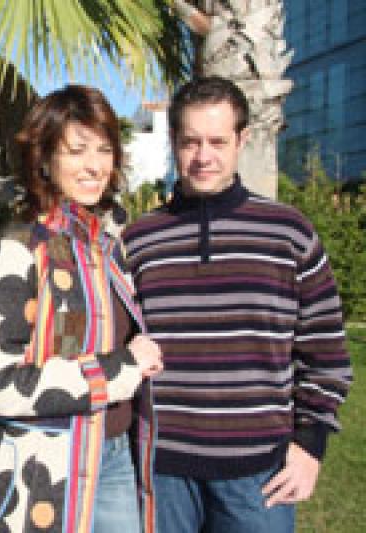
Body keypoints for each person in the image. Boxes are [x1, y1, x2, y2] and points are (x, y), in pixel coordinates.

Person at [123, 76, 353, 533]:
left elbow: (325, 348)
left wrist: (311, 444)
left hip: (259, 473)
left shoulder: (289, 233)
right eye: (190, 142)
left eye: (217, 141)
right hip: (161, 470)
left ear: (242, 140)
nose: (203, 156)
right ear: (173, 141)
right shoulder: (138, 240)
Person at [0, 84, 163, 532]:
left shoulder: (108, 246)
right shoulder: (21, 248)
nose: (94, 165)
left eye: (104, 150)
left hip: (113, 455)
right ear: (44, 158)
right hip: (43, 470)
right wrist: (120, 369)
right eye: (77, 151)